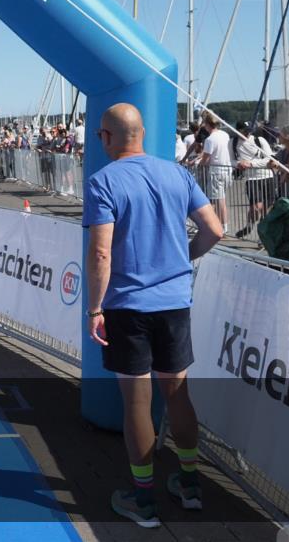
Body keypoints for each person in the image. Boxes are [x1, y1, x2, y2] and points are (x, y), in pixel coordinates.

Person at [84, 103, 223, 528]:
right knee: (177, 394)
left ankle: (143, 501)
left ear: (107, 137)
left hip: (129, 306)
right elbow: (215, 230)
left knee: (137, 403)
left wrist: (94, 307)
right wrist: (183, 261)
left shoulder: (103, 181)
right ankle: (189, 484)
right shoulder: (177, 174)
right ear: (142, 133)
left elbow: (101, 252)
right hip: (175, 301)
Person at [234, 122, 275, 239]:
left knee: (267, 209)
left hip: (267, 176)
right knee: (256, 207)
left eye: (249, 131)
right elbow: (231, 160)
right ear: (238, 131)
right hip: (252, 178)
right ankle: (249, 225)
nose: (248, 133)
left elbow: (269, 158)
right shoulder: (233, 143)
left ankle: (264, 236)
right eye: (245, 131)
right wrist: (239, 163)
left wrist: (251, 163)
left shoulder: (259, 140)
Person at [197, 113, 232, 234]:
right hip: (227, 170)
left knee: (214, 201)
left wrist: (198, 164)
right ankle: (223, 225)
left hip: (216, 172)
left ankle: (212, 226)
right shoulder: (225, 135)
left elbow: (205, 159)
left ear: (207, 124)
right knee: (221, 199)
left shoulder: (210, 139)